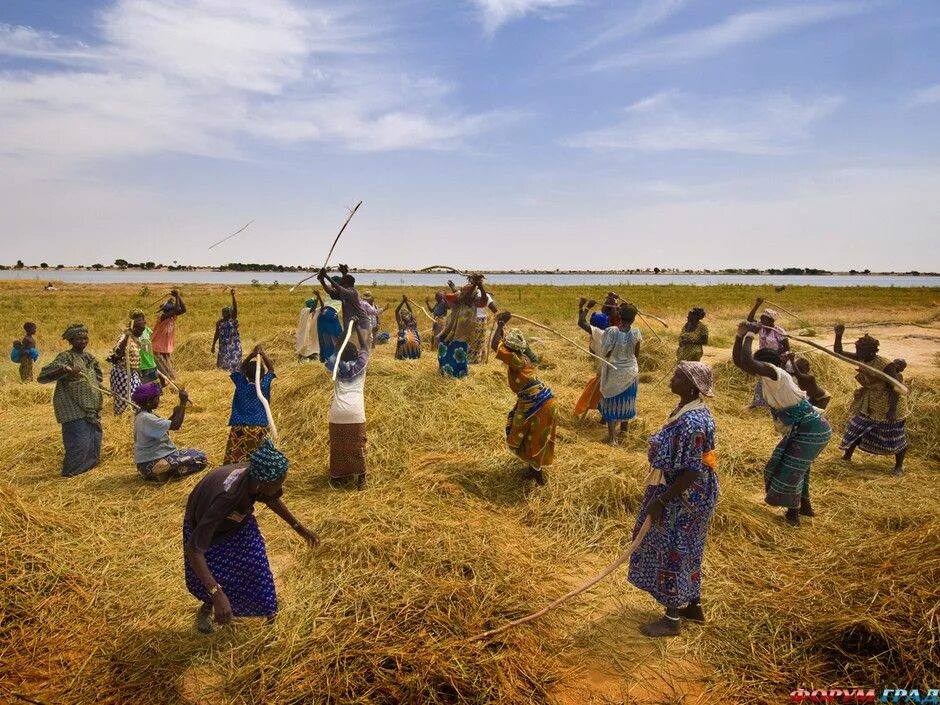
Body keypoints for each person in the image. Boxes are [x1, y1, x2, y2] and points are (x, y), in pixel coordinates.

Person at [183, 440, 320, 634]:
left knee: (256, 565)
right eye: (278, 483)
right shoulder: (227, 497)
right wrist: (217, 593)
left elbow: (272, 498)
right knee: (215, 571)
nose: (280, 488)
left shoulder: (255, 474)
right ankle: (209, 606)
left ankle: (271, 616)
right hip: (206, 526)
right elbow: (194, 550)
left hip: (237, 521)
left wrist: (299, 527)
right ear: (262, 483)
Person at [628, 362, 719, 637]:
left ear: (690, 386)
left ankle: (671, 619)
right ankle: (693, 605)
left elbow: (692, 471)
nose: (671, 379)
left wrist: (662, 501)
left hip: (685, 497)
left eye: (678, 377)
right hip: (682, 491)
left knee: (674, 550)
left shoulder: (693, 423)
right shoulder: (686, 410)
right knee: (689, 548)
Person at [733, 321, 832, 526]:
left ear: (765, 365)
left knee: (788, 469)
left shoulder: (775, 375)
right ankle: (805, 506)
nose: (752, 368)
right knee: (800, 467)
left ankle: (793, 515)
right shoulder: (772, 377)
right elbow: (740, 362)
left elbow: (747, 361)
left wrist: (750, 334)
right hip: (808, 428)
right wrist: (739, 336)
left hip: (810, 429)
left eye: (756, 365)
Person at [492, 313, 558, 486]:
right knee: (529, 435)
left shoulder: (516, 360)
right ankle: (532, 471)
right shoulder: (526, 356)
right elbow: (503, 343)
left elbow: (494, 344)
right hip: (542, 400)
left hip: (538, 404)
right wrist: (503, 329)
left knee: (535, 440)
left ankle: (538, 479)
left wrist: (500, 323)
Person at [834, 327, 909, 475]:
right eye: (857, 349)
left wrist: (892, 410)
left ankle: (898, 466)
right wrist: (838, 336)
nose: (857, 352)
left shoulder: (886, 365)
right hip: (870, 401)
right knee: (857, 427)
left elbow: (896, 388)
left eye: (860, 350)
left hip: (889, 403)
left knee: (893, 435)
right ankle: (847, 456)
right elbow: (838, 352)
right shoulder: (862, 358)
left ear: (871, 352)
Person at [37, 323, 103, 477]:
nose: (83, 341)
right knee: (78, 442)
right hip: (73, 407)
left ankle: (88, 469)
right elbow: (44, 374)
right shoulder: (66, 357)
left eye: (85, 338)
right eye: (79, 339)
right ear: (71, 340)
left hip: (90, 407)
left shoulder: (89, 357)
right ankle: (72, 473)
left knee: (93, 439)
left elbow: (96, 377)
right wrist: (67, 369)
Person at [132, 382, 208, 482]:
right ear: (149, 401)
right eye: (157, 399)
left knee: (195, 452)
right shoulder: (146, 418)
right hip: (151, 461)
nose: (159, 401)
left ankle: (163, 470)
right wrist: (183, 403)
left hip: (145, 463)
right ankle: (162, 469)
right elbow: (175, 425)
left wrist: (176, 413)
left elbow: (164, 427)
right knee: (200, 458)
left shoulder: (142, 415)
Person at [324, 338, 370, 488]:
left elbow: (330, 358)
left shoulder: (335, 368)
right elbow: (365, 350)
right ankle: (361, 478)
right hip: (355, 412)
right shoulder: (360, 368)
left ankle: (337, 477)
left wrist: (338, 348)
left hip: (337, 413)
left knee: (338, 447)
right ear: (355, 355)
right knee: (358, 446)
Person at [598, 302, 643, 445]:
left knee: (611, 402)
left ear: (619, 315)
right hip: (631, 372)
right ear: (634, 318)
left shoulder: (611, 331)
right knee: (627, 401)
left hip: (615, 371)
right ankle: (624, 431)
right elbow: (636, 355)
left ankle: (613, 438)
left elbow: (605, 352)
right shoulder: (636, 332)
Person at [224, 345, 275, 464]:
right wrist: (262, 354)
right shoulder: (264, 386)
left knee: (235, 461)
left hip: (239, 429)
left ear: (246, 374)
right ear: (262, 375)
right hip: (258, 429)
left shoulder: (241, 385)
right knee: (258, 462)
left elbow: (241, 369)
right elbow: (271, 370)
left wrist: (251, 355)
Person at [438, 276, 486, 378]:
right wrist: (474, 285)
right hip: (450, 330)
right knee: (445, 350)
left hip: (462, 334)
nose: (466, 292)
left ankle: (459, 375)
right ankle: (444, 371)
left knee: (460, 354)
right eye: (464, 291)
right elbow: (463, 297)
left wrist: (480, 287)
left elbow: (484, 301)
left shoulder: (474, 302)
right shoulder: (459, 299)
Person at [746, 298, 789, 409]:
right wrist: (757, 305)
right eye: (761, 318)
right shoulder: (762, 328)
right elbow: (749, 319)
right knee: (763, 379)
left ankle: (773, 403)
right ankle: (758, 403)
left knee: (773, 380)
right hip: (764, 358)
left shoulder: (779, 332)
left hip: (777, 359)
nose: (761, 320)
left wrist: (773, 354)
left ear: (771, 321)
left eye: (764, 319)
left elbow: (786, 348)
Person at [317, 265, 371, 347]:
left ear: (346, 284)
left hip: (361, 324)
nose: (340, 283)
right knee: (348, 346)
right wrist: (322, 280)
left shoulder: (352, 292)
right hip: (352, 324)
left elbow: (338, 287)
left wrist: (326, 276)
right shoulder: (345, 293)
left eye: (342, 281)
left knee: (356, 348)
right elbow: (330, 292)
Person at [574, 299, 608, 419]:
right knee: (603, 394)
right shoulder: (603, 333)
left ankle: (604, 418)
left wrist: (587, 307)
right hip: (604, 370)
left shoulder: (599, 334)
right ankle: (604, 418)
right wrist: (581, 308)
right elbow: (583, 323)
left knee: (598, 394)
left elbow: (581, 323)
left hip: (604, 371)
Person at [107, 311, 146, 415]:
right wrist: (126, 339)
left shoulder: (137, 338)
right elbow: (117, 354)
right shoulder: (124, 337)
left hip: (133, 373)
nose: (141, 332)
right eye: (140, 330)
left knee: (138, 397)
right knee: (124, 399)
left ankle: (135, 416)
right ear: (134, 328)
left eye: (143, 330)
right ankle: (122, 418)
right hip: (122, 373)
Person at [152, 289, 186, 381]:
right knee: (163, 368)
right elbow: (177, 309)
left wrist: (178, 296)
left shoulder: (172, 317)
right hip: (158, 347)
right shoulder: (162, 317)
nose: (175, 312)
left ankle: (169, 381)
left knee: (166, 366)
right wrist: (177, 295)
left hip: (165, 347)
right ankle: (168, 382)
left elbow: (183, 309)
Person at [212, 289, 242, 373]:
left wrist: (233, 296)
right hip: (223, 346)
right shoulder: (219, 322)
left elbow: (235, 308)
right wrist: (213, 345)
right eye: (223, 312)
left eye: (225, 312)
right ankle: (223, 376)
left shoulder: (233, 320)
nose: (224, 314)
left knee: (235, 364)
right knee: (223, 365)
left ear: (230, 313)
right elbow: (216, 334)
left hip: (234, 346)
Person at [468, 288, 498, 364]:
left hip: (469, 319)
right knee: (480, 341)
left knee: (471, 341)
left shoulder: (467, 293)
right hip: (481, 321)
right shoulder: (485, 295)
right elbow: (494, 309)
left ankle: (472, 360)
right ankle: (478, 360)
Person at [316, 289, 344, 361]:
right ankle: (334, 356)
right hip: (331, 314)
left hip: (322, 315)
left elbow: (323, 306)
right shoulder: (340, 294)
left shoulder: (329, 295)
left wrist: (318, 296)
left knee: (324, 336)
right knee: (336, 335)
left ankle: (324, 356)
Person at [394, 296, 422, 360]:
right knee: (402, 335)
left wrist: (405, 302)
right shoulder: (401, 323)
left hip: (414, 345)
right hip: (405, 346)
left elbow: (410, 310)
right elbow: (396, 311)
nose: (405, 316)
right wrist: (403, 301)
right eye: (403, 315)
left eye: (406, 315)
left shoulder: (412, 321)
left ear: (409, 315)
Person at [296, 295, 321, 362]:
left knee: (312, 343)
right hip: (305, 330)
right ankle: (303, 356)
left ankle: (311, 355)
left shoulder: (315, 311)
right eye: (314, 303)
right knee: (304, 343)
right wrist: (318, 297)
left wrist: (319, 298)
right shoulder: (305, 310)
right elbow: (312, 309)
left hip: (311, 331)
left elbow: (322, 307)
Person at [136, 311, 159, 383]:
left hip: (151, 363)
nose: (140, 322)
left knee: (154, 387)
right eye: (137, 321)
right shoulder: (132, 334)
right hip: (141, 366)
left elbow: (153, 338)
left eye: (141, 320)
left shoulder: (147, 330)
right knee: (144, 387)